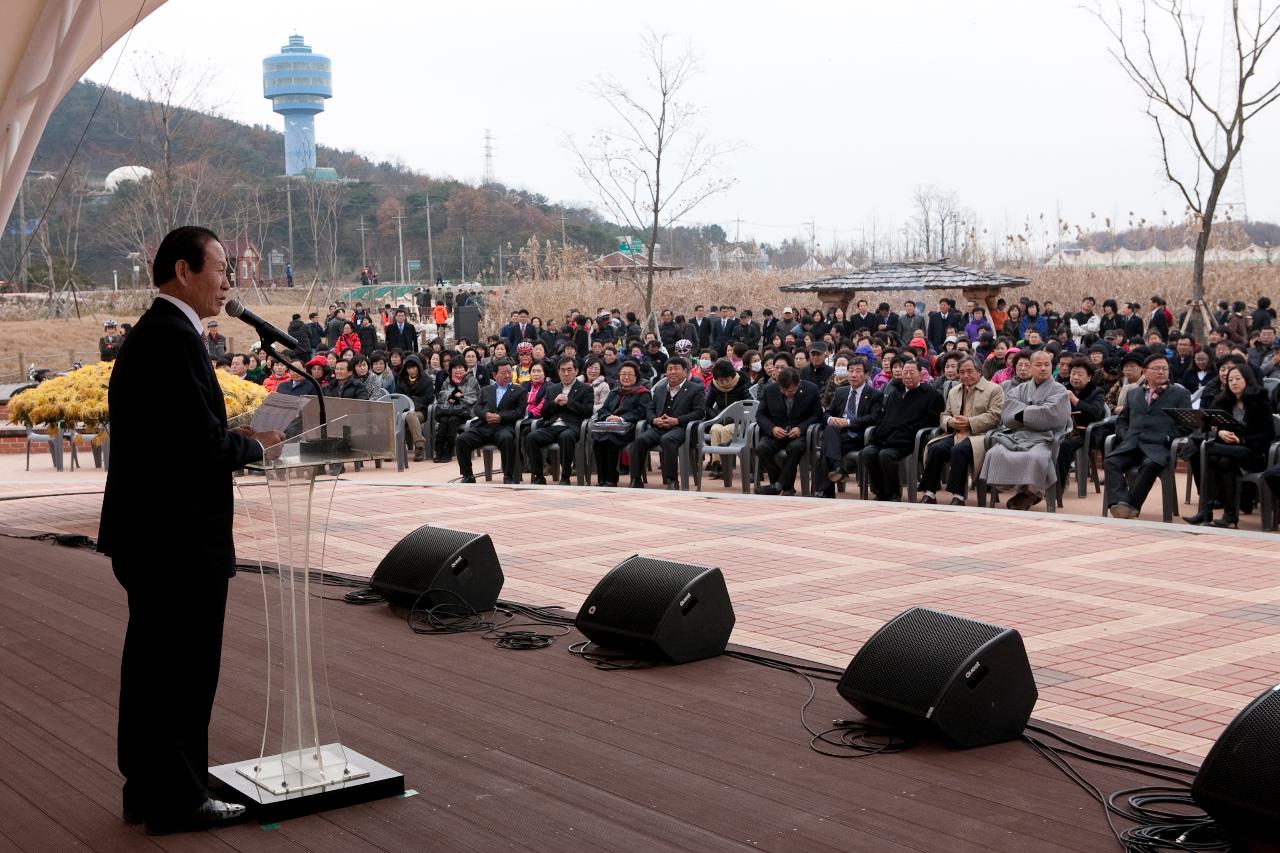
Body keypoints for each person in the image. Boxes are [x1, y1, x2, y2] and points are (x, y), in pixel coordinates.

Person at [98, 226, 284, 834]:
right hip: (176, 539)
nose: (229, 281)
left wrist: (235, 439)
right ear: (183, 270)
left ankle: (149, 788)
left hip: (151, 534)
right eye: (221, 267)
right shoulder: (174, 340)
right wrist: (253, 448)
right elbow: (195, 448)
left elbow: (178, 435)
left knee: (153, 667)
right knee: (182, 668)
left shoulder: (155, 335)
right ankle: (180, 798)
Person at [1183, 365, 1276, 528]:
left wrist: (1240, 439)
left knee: (1210, 452)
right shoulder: (1223, 401)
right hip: (1228, 453)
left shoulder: (1260, 401)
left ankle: (1213, 512)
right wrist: (1219, 433)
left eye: (1237, 379)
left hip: (1253, 454)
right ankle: (1223, 514)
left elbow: (1268, 434)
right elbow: (1209, 426)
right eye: (1230, 380)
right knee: (1220, 460)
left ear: (1247, 379)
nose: (1233, 383)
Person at [979, 350, 1072, 510]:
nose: (1043, 368)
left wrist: (1022, 413)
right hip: (1018, 435)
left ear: (1051, 367)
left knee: (1036, 457)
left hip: (1045, 437)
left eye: (1047, 365)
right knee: (995, 453)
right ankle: (1024, 492)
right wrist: (1034, 412)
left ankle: (1032, 492)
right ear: (1030, 368)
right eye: (1038, 365)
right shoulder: (1019, 389)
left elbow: (1051, 415)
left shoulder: (1059, 390)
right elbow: (1008, 413)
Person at [1104, 353, 1193, 519]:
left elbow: (1187, 425)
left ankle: (1131, 506)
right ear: (1145, 371)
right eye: (1156, 368)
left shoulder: (1180, 394)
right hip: (1132, 444)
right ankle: (1119, 503)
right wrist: (1125, 435)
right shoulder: (1134, 394)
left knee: (1149, 465)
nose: (1161, 372)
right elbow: (1121, 421)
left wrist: (1168, 437)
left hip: (1158, 447)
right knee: (1111, 461)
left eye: (1164, 369)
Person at [918, 355, 1005, 506]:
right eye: (962, 372)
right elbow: (945, 414)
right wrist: (950, 421)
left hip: (980, 436)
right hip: (956, 433)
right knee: (935, 448)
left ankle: (958, 496)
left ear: (979, 371)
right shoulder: (954, 391)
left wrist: (970, 422)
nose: (965, 375)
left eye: (969, 371)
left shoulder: (994, 389)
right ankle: (930, 492)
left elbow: (995, 416)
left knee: (959, 450)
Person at [858, 360, 945, 500]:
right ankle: (880, 491)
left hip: (908, 439)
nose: (908, 376)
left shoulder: (932, 395)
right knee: (868, 452)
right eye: (905, 372)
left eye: (912, 372)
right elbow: (884, 416)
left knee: (885, 455)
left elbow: (932, 422)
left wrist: (903, 430)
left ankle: (893, 493)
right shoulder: (895, 393)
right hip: (886, 436)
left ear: (921, 375)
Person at [632, 358, 706, 489]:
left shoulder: (696, 389)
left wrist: (677, 420)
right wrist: (654, 420)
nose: (673, 372)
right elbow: (650, 409)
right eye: (670, 369)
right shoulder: (660, 389)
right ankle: (636, 479)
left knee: (668, 439)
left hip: (682, 428)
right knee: (640, 440)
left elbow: (699, 413)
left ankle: (672, 480)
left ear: (685, 371)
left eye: (677, 368)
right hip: (659, 426)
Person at [814, 356, 882, 497]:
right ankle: (838, 467)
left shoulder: (874, 394)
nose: (853, 375)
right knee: (830, 428)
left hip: (860, 436)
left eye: (858, 371)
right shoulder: (841, 392)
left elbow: (874, 418)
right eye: (850, 371)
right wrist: (832, 419)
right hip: (839, 436)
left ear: (866, 374)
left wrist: (849, 422)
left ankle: (825, 491)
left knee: (825, 448)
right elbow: (827, 413)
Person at [524, 357, 595, 485]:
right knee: (531, 437)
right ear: (558, 372)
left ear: (576, 371)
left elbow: (588, 411)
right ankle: (538, 476)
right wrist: (555, 403)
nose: (566, 374)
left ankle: (565, 476)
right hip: (552, 426)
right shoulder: (552, 389)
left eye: (569, 370)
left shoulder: (586, 389)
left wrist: (569, 402)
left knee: (565, 436)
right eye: (563, 370)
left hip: (572, 427)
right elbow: (544, 413)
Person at [456, 358, 527, 484]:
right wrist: (485, 414)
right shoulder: (486, 390)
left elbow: (519, 412)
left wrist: (501, 417)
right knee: (462, 440)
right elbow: (477, 408)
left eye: (509, 372)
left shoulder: (519, 391)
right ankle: (468, 475)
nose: (507, 375)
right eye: (503, 373)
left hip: (504, 427)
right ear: (495, 375)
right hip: (484, 426)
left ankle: (508, 476)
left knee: (507, 439)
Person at [754, 367, 822, 496]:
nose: (786, 394)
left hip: (798, 435)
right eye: (783, 390)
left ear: (798, 384)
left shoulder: (811, 389)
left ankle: (778, 486)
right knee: (762, 448)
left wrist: (801, 428)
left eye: (790, 391)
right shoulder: (769, 390)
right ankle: (783, 485)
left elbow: (817, 415)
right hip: (777, 434)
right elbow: (760, 415)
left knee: (795, 447)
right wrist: (772, 428)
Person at [591, 361, 651, 486]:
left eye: (630, 374)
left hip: (630, 429)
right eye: (623, 374)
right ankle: (602, 479)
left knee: (609, 440)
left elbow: (641, 413)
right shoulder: (614, 392)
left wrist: (621, 418)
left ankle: (611, 479)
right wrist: (608, 417)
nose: (626, 377)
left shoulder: (643, 393)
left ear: (636, 377)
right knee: (597, 440)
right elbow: (603, 409)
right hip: (609, 427)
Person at [1055, 358, 1109, 490]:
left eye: (1080, 374)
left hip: (1087, 434)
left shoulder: (1097, 392)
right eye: (1073, 373)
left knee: (1064, 445)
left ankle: (1058, 487)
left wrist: (1074, 399)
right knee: (1049, 441)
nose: (1075, 377)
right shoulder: (1064, 388)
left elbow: (1094, 413)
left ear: (1089, 377)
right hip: (1067, 431)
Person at [432, 360, 480, 462]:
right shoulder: (447, 380)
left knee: (453, 420)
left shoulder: (472, 380)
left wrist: (459, 398)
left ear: (465, 369)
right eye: (454, 368)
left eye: (460, 367)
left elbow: (473, 397)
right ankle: (438, 451)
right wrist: (450, 396)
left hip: (465, 412)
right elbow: (441, 394)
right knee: (444, 420)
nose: (457, 370)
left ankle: (448, 451)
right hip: (448, 410)